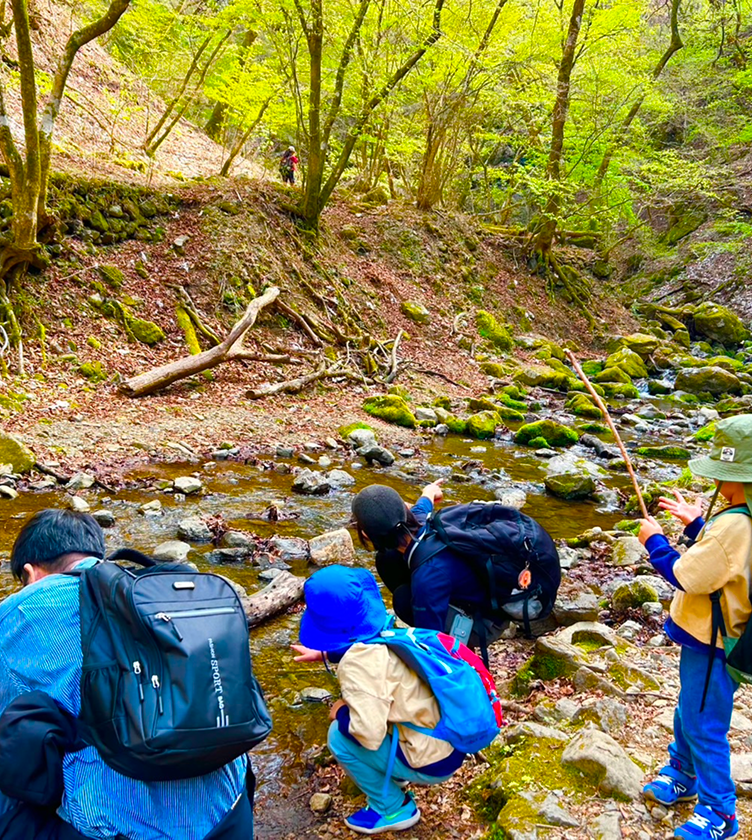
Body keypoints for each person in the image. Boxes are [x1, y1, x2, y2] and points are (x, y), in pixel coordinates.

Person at [0, 509, 252, 840]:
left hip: (116, 828)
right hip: (230, 809)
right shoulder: (153, 588)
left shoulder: (20, 611)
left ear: (31, 572)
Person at [637, 415, 752, 840]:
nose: (719, 483)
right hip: (726, 636)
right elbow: (728, 562)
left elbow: (687, 574)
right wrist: (695, 525)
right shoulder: (740, 518)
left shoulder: (735, 524)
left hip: (714, 641)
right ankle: (682, 774)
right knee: (691, 708)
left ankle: (719, 811)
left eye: (725, 475)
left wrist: (654, 541)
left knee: (704, 722)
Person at [293, 565, 466, 835]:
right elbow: (364, 649)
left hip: (434, 761)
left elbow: (368, 734)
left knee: (339, 736)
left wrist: (340, 712)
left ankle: (394, 809)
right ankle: (395, 774)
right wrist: (326, 655)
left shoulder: (356, 665)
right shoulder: (385, 630)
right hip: (451, 741)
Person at [351, 482, 559, 652]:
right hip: (473, 586)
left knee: (404, 599)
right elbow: (422, 507)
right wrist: (428, 492)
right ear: (405, 511)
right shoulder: (425, 522)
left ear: (368, 535)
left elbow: (431, 643)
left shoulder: (429, 577)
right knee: (388, 559)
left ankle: (464, 643)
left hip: (489, 619)